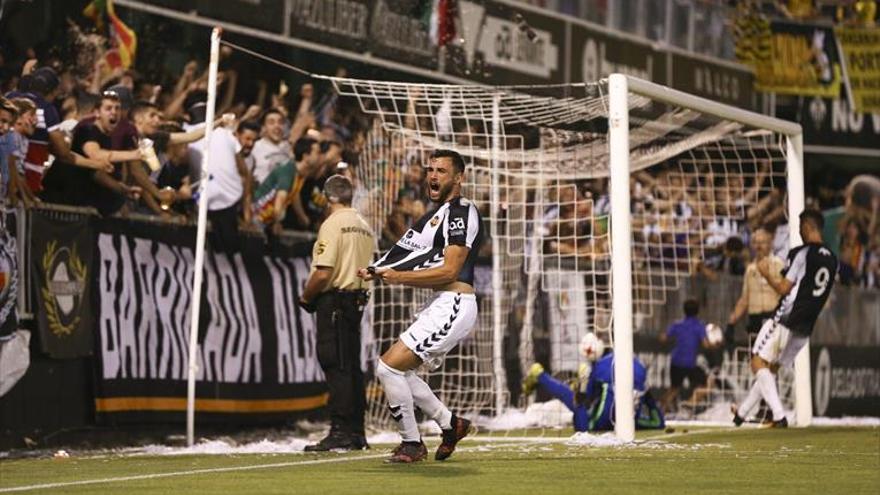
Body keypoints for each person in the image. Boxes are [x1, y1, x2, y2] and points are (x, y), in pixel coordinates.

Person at [357, 149, 483, 463]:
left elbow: (450, 270)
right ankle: (451, 424)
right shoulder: (436, 214)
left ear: (459, 177)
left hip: (454, 304)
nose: (433, 176)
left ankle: (412, 443)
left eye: (441, 170)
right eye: (430, 170)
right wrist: (377, 269)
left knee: (388, 367)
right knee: (400, 372)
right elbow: (411, 250)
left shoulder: (461, 212)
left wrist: (398, 277)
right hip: (438, 303)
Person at [733, 209, 838, 428]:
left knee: (757, 361)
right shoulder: (832, 259)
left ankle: (779, 416)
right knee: (770, 369)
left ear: (808, 227)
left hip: (787, 317)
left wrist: (765, 274)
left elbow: (783, 288)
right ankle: (741, 414)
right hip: (806, 325)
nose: (799, 232)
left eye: (800, 228)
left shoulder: (803, 253)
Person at [298, 174, 375, 451]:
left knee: (336, 365)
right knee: (351, 366)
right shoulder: (364, 225)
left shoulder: (332, 225)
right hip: (357, 301)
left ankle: (340, 430)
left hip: (335, 302)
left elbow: (323, 272)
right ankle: (357, 431)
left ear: (328, 198)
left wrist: (306, 297)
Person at [521, 333, 665, 432]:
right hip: (629, 420)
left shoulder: (600, 367)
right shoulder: (638, 365)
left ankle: (541, 376)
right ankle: (553, 378)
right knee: (582, 401)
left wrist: (581, 389)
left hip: (603, 421)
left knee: (579, 409)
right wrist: (650, 403)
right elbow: (658, 422)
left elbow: (585, 400)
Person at [728, 228, 786, 345]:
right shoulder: (750, 269)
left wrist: (768, 276)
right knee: (755, 357)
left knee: (772, 357)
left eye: (762, 242)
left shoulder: (779, 264)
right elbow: (745, 299)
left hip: (772, 317)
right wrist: (731, 322)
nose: (759, 246)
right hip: (755, 319)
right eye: (756, 242)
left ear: (770, 244)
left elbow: (785, 290)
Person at [659, 299, 714, 413]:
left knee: (674, 389)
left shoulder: (677, 324)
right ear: (698, 311)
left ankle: (660, 410)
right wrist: (715, 343)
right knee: (706, 385)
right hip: (689, 363)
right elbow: (706, 344)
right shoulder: (699, 326)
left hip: (676, 361)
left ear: (684, 311)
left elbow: (663, 338)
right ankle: (690, 403)